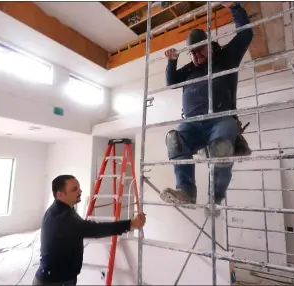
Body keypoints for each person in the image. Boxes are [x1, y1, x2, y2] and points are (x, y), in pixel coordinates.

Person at [160, 2, 253, 212]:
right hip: (192, 124)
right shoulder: (191, 68)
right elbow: (172, 82)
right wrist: (172, 62)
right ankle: (186, 192)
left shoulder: (226, 58)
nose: (196, 56)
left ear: (209, 45)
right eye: (192, 53)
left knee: (221, 148)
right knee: (174, 140)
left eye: (200, 49)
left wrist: (234, 7)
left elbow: (245, 35)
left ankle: (215, 199)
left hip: (221, 119)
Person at [33, 175, 146, 286]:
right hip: (53, 281)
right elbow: (95, 230)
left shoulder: (63, 210)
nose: (80, 191)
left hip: (63, 277)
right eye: (74, 189)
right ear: (60, 194)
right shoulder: (62, 217)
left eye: (79, 187)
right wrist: (130, 224)